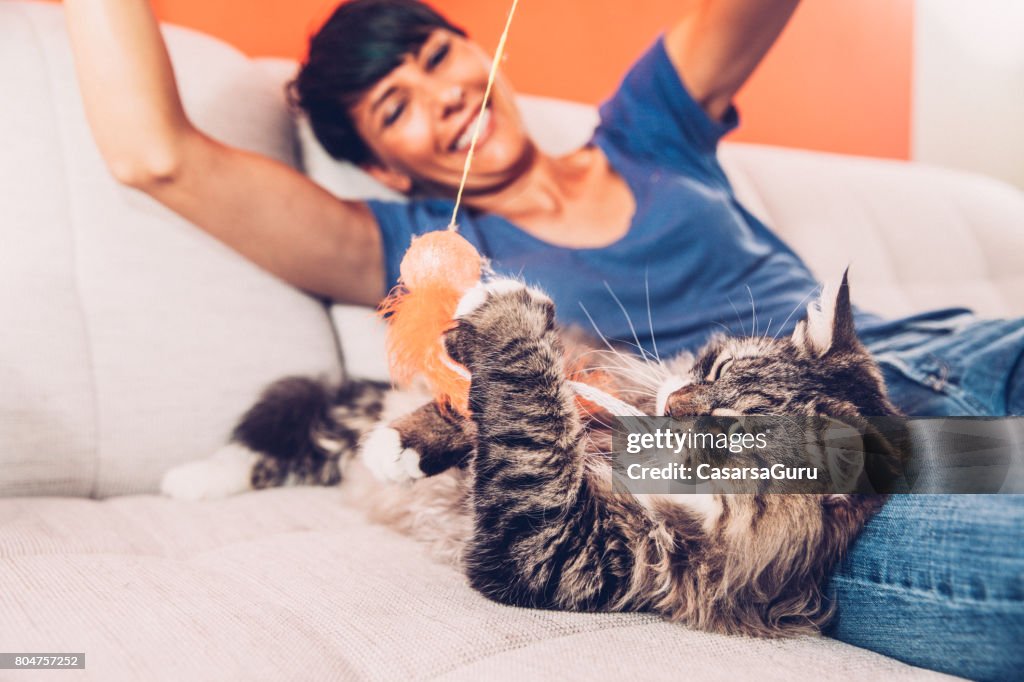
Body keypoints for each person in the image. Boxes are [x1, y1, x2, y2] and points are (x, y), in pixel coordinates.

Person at [65, 0, 1023, 678]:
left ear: (481, 51)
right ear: (381, 166)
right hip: (762, 462)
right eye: (394, 108)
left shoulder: (645, 130)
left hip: (921, 350)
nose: (438, 98)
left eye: (437, 57)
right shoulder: (416, 247)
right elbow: (155, 154)